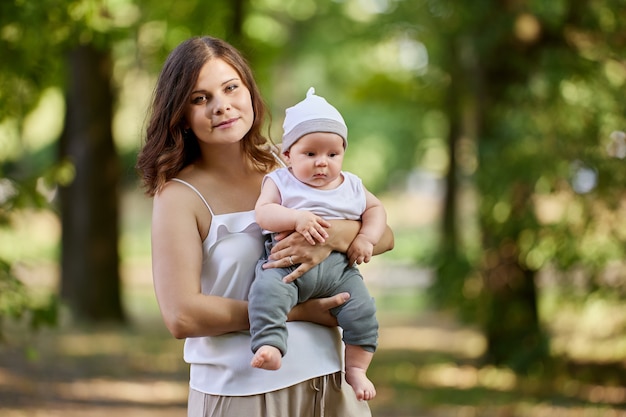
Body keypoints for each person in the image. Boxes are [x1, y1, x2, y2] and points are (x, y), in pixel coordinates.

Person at [136, 36, 394, 417]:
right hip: (242, 395)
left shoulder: (291, 163)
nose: (221, 106)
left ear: (249, 91)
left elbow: (384, 235)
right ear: (182, 114)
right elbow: (181, 315)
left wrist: (330, 239)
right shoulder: (178, 195)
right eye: (199, 98)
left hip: (333, 383)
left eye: (230, 87)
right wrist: (298, 311)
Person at [249, 87, 387, 402]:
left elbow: (376, 210)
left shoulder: (351, 185)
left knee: (363, 310)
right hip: (286, 265)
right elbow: (263, 213)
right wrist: (296, 219)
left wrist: (366, 237)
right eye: (310, 154)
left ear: (343, 153)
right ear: (287, 155)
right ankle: (269, 344)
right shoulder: (280, 180)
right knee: (266, 293)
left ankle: (356, 367)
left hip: (340, 271)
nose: (321, 163)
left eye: (332, 154)